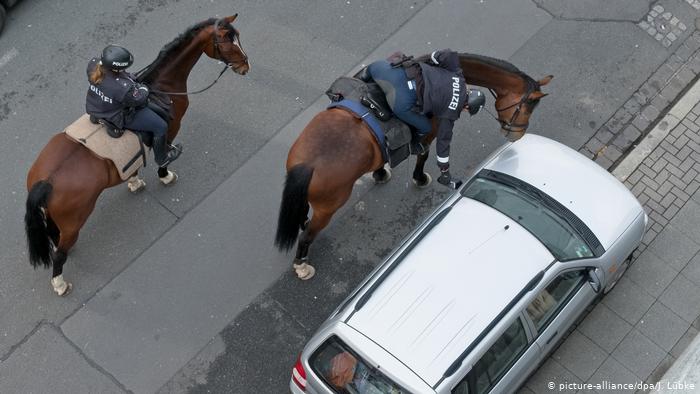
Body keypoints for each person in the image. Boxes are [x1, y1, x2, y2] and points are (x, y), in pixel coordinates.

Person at [365, 49, 485, 188]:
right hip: (400, 101)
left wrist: (431, 58)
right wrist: (444, 171)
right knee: (427, 127)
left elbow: (448, 55)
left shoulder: (457, 73)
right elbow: (443, 142)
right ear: (467, 107)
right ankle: (415, 146)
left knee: (368, 72)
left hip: (384, 70)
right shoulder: (450, 112)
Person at [86, 44, 182, 167]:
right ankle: (162, 159)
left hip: (96, 105)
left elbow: (120, 77)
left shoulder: (93, 64)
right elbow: (139, 99)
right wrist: (143, 88)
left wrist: (129, 77)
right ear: (115, 69)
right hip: (117, 115)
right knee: (161, 127)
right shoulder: (122, 88)